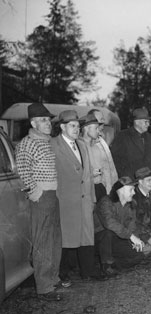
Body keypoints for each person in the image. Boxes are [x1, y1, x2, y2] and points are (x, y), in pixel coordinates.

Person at [15, 103, 64, 302]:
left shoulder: (47, 141)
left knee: (54, 240)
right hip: (42, 197)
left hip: (53, 194)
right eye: (43, 120)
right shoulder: (27, 143)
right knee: (43, 242)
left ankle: (53, 278)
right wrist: (36, 192)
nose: (48, 123)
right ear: (33, 123)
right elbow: (22, 170)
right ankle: (44, 287)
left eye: (49, 120)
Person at [51, 110, 106, 282]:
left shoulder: (82, 145)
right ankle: (62, 273)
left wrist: (92, 199)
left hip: (85, 200)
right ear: (62, 127)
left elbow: (88, 174)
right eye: (72, 126)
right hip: (66, 202)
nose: (76, 129)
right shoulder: (53, 145)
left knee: (86, 236)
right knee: (67, 238)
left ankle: (88, 271)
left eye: (77, 126)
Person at [94, 176, 145, 276]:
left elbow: (132, 226)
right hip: (99, 241)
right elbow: (109, 223)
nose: (134, 193)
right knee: (107, 233)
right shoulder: (106, 202)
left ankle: (108, 263)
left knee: (139, 255)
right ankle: (106, 265)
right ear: (120, 190)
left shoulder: (131, 205)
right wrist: (131, 236)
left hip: (117, 239)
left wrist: (135, 240)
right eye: (131, 190)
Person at [111, 108, 151, 181]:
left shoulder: (149, 137)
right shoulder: (122, 136)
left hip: (148, 182)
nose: (148, 124)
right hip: (131, 182)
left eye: (148, 122)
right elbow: (115, 160)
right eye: (145, 122)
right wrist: (125, 179)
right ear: (136, 122)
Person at [87, 109, 118, 195]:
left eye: (103, 119)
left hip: (109, 189)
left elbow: (111, 166)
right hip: (99, 190)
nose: (103, 121)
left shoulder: (102, 141)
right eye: (100, 119)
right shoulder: (88, 144)